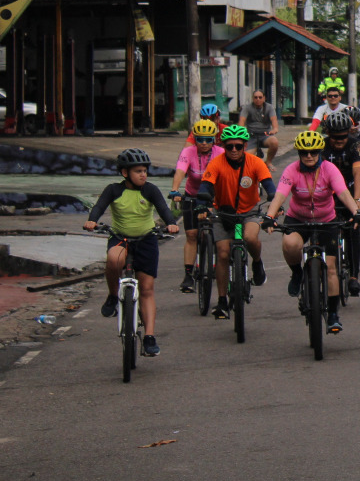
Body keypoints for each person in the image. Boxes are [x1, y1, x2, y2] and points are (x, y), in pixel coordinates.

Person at [263, 130, 360, 335]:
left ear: (320, 152)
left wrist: (356, 212)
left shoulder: (329, 169)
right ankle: (297, 273)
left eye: (313, 152)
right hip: (298, 219)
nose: (309, 156)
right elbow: (280, 195)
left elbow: (343, 193)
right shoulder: (291, 170)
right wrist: (270, 216)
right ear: (299, 153)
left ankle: (334, 314)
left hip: (326, 220)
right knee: (290, 245)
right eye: (304, 152)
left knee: (332, 268)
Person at [86, 149, 179, 358]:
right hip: (121, 237)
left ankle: (149, 337)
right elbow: (99, 206)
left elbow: (164, 210)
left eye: (145, 171)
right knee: (113, 259)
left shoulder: (150, 190)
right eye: (138, 171)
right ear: (125, 173)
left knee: (146, 289)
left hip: (146, 240)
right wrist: (92, 220)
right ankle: (112, 296)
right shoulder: (113, 190)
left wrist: (172, 223)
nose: (143, 175)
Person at [196, 124, 274, 319]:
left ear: (245, 145)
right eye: (229, 146)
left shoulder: (256, 162)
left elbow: (268, 183)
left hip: (249, 211)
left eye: (238, 146)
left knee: (249, 237)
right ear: (223, 146)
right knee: (222, 253)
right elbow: (205, 186)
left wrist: (273, 196)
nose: (233, 150)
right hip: (223, 213)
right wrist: (201, 202)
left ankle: (257, 263)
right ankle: (222, 301)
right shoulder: (216, 163)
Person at [317, 111, 360, 290]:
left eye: (343, 136)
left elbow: (359, 173)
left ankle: (354, 275)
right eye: (335, 137)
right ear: (328, 133)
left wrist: (357, 200)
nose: (339, 141)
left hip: (349, 189)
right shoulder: (322, 146)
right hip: (327, 191)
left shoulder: (357, 145)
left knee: (353, 229)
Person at [172, 118, 219, 293]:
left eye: (208, 139)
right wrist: (175, 190)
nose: (204, 143)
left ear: (214, 139)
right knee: (191, 235)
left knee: (220, 233)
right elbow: (180, 171)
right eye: (200, 139)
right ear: (195, 139)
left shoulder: (221, 152)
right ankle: (188, 275)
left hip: (215, 196)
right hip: (192, 195)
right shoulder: (188, 152)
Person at [239, 90, 279, 162]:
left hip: (265, 135)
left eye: (260, 97)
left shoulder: (269, 107)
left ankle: (268, 162)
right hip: (251, 136)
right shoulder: (247, 108)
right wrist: (240, 131)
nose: (258, 99)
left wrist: (275, 129)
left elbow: (274, 120)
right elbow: (242, 121)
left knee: (274, 142)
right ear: (252, 98)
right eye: (256, 97)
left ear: (264, 98)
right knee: (246, 157)